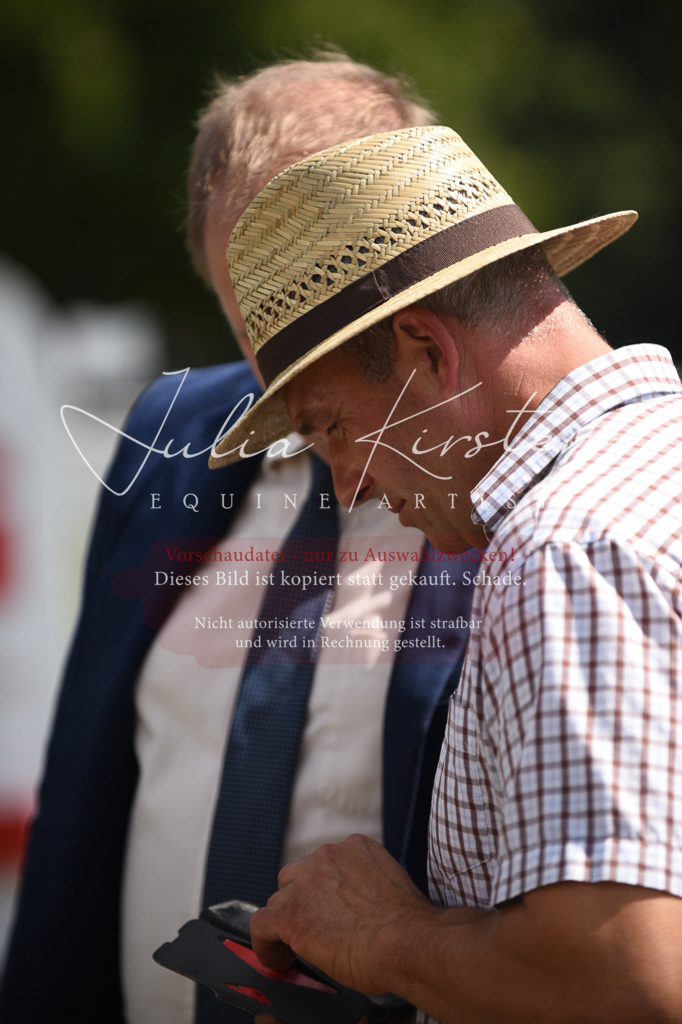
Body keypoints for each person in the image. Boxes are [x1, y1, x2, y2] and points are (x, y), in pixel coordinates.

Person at [0, 59, 475, 1024]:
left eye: (326, 262)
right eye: (259, 285)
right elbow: (91, 782)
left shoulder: (495, 470)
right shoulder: (170, 430)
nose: (300, 319)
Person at [208, 124, 682, 1022]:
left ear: (426, 348)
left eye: (330, 427)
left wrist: (388, 936)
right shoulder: (655, 466)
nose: (347, 487)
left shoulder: (566, 548)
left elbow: (628, 986)